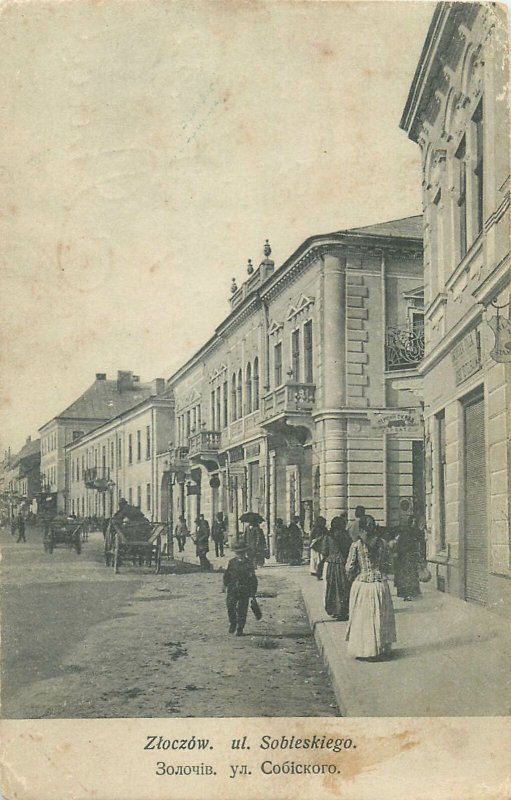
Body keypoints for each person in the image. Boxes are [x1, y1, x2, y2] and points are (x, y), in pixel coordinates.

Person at [345, 515, 396, 660]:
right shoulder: (383, 543)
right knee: (380, 616)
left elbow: (349, 567)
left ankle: (366, 650)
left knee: (363, 618)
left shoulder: (356, 545)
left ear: (361, 529)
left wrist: (353, 577)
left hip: (363, 584)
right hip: (380, 585)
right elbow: (389, 565)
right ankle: (380, 649)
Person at [223, 541, 258, 636]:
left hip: (244, 589)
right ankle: (233, 623)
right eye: (237, 552)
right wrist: (225, 585)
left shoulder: (248, 563)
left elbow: (253, 579)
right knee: (230, 607)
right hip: (232, 588)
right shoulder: (232, 562)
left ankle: (240, 628)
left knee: (242, 609)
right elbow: (227, 574)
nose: (239, 554)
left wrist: (253, 592)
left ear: (245, 552)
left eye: (241, 552)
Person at [321, 515, 351, 619]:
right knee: (342, 587)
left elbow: (324, 550)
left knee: (332, 587)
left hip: (331, 564)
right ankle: (342, 610)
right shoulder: (345, 535)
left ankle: (333, 609)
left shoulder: (328, 536)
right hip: (342, 563)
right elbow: (349, 549)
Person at [394, 515, 422, 601]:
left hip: (411, 558)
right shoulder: (406, 532)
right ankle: (406, 594)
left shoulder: (414, 532)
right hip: (405, 558)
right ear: (409, 522)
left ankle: (412, 593)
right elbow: (401, 546)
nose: (414, 523)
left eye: (415, 522)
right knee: (406, 577)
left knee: (411, 576)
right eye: (412, 522)